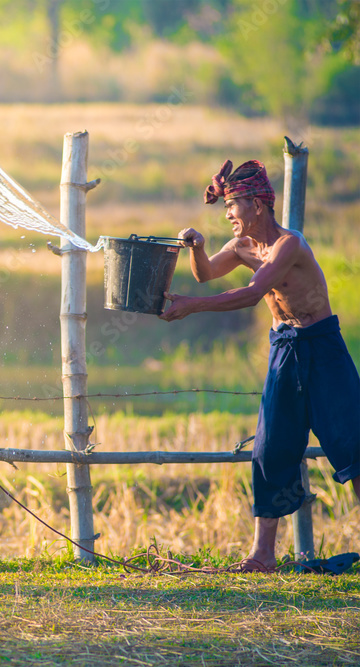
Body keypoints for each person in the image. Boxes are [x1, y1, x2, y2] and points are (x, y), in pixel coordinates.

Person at [160, 158, 360, 571]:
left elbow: (252, 294)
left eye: (233, 206)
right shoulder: (241, 247)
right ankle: (262, 555)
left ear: (257, 204)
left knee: (351, 444)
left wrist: (191, 309)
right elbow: (206, 275)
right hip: (283, 349)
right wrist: (195, 248)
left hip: (322, 348)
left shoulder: (290, 244)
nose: (228, 215)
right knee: (271, 448)